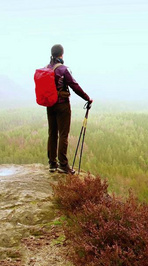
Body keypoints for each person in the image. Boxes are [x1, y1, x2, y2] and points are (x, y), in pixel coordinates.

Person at [46, 44, 93, 174]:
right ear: (62, 54)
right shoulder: (62, 69)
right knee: (63, 134)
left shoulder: (47, 68)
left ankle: (52, 163)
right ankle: (63, 165)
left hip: (50, 104)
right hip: (62, 105)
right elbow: (74, 86)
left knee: (52, 133)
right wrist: (87, 98)